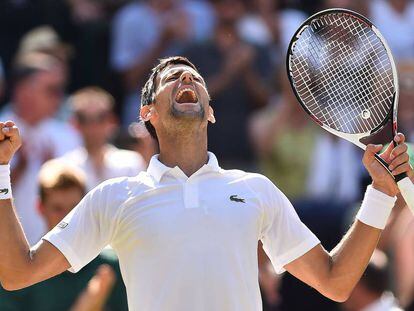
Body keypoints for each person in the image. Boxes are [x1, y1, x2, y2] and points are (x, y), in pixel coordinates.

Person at [0, 56, 412, 311]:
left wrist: (379, 194)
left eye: (195, 79)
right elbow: (18, 272)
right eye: (173, 78)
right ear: (148, 113)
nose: (187, 81)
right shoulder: (115, 197)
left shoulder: (256, 189)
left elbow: (336, 282)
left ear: (210, 112)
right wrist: (1, 171)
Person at [0, 159, 128, 311]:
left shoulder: (115, 266)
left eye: (74, 207)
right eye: (57, 208)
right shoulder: (17, 275)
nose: (67, 216)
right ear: (40, 208)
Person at [0, 51, 81, 245]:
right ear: (24, 91)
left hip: (56, 255)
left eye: (60, 90)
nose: (60, 97)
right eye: (52, 90)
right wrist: (15, 167)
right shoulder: (1, 129)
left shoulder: (68, 135)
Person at [62, 87, 146, 190]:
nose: (93, 126)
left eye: (100, 118)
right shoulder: (65, 166)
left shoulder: (131, 163)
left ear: (112, 121)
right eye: (84, 119)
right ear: (75, 123)